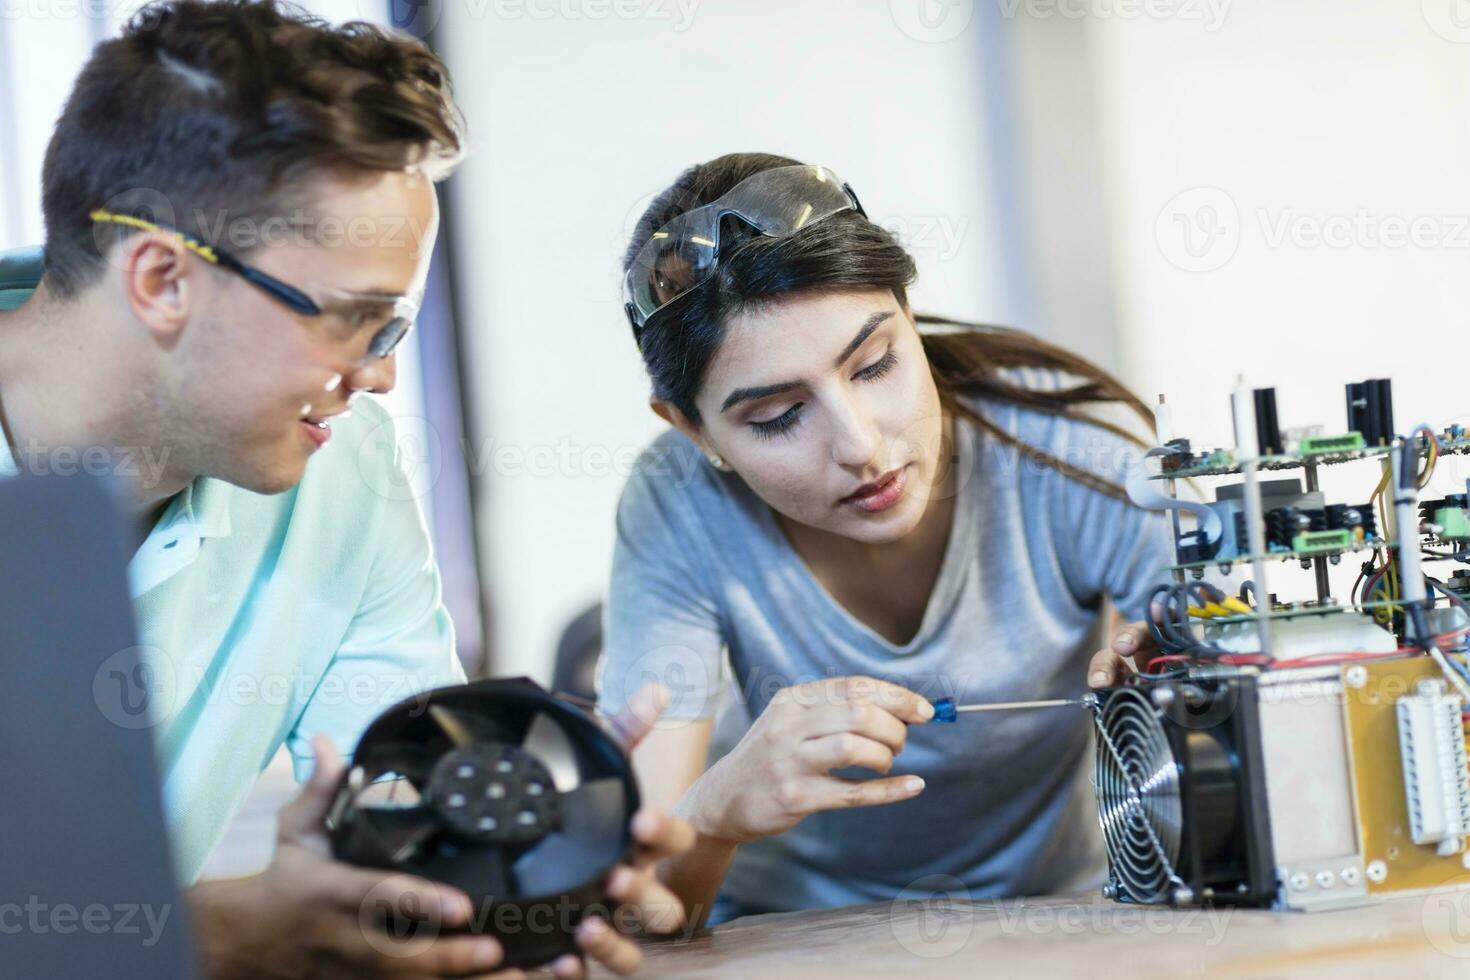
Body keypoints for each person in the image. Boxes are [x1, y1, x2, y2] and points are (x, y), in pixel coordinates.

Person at [0, 2, 689, 976]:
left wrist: (543, 851)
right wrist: (228, 929)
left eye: (395, 328)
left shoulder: (344, 469)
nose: (381, 376)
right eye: (355, 322)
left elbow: (406, 813)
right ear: (161, 279)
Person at [596, 152, 1174, 926]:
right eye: (776, 418)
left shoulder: (1065, 451)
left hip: (1064, 927)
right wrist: (716, 810)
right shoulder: (676, 505)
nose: (860, 446)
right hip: (783, 942)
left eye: (874, 365)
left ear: (909, 315)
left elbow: (1257, 695)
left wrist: (1186, 681)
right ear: (694, 431)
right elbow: (641, 912)